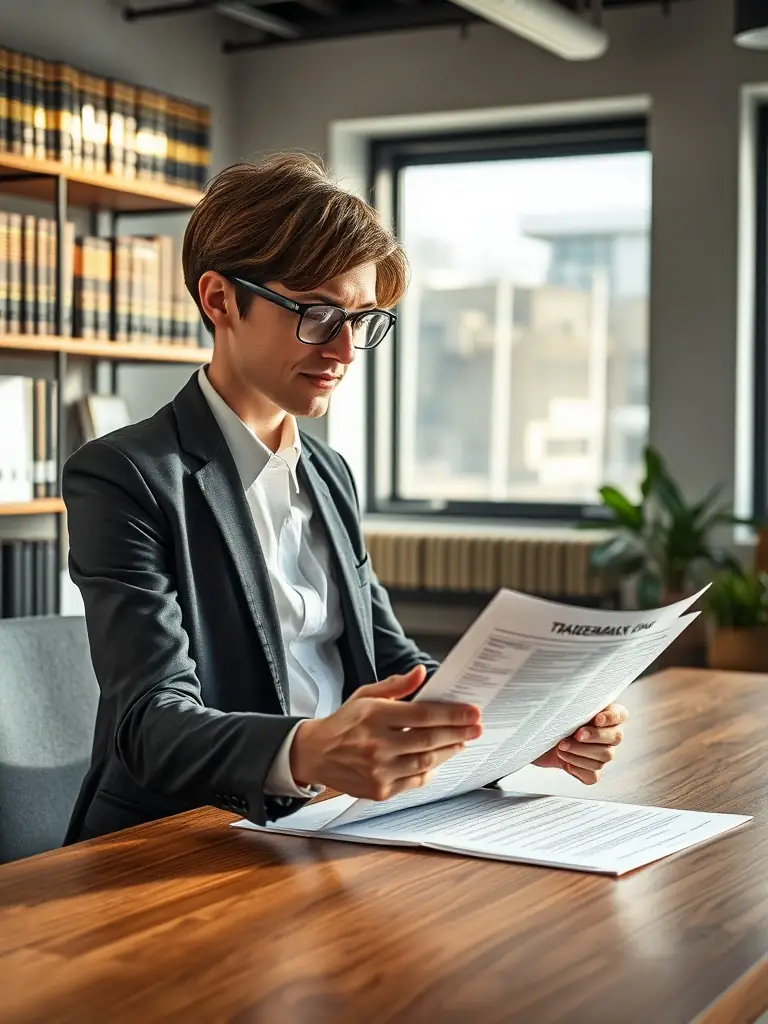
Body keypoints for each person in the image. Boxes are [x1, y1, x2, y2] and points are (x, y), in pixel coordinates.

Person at [62, 153, 627, 843]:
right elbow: (149, 722)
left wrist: (527, 723)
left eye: (360, 319)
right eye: (318, 313)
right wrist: (305, 749)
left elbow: (390, 662)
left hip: (336, 825)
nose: (345, 349)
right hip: (179, 844)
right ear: (218, 300)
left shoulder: (328, 473)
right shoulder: (125, 475)